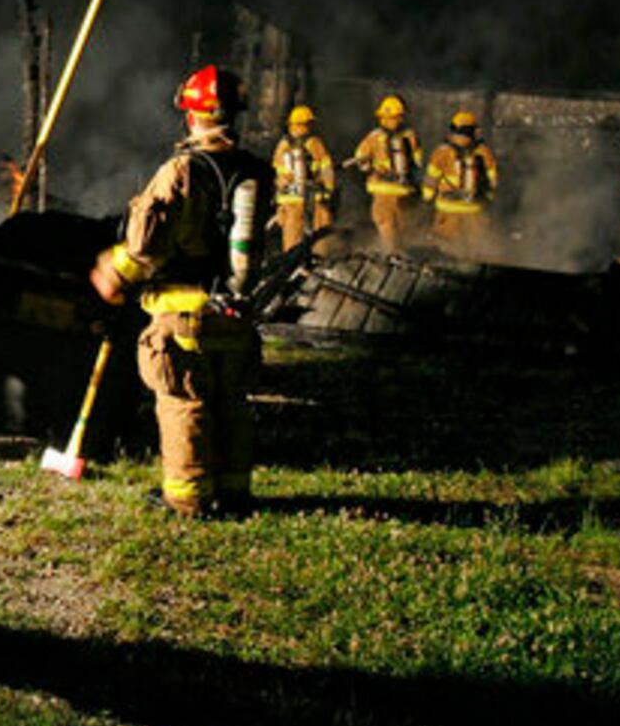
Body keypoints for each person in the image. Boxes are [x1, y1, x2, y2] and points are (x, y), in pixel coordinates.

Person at [89, 65, 270, 519]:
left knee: (184, 405)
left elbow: (146, 243)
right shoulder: (254, 172)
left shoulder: (182, 170)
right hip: (235, 312)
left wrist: (115, 271)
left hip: (182, 313)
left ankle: (186, 499)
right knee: (231, 405)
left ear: (191, 116)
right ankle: (234, 494)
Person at [351, 93, 424, 253]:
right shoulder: (410, 136)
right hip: (404, 189)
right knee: (404, 222)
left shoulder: (374, 137)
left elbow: (360, 160)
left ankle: (392, 252)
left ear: (382, 117)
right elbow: (418, 162)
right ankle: (405, 252)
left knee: (384, 221)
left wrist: (369, 166)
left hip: (382, 188)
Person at [423, 110, 499, 257]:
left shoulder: (441, 152)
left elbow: (431, 179)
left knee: (445, 248)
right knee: (478, 250)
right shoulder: (484, 152)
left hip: (447, 209)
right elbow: (493, 180)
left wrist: (428, 197)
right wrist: (489, 198)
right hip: (475, 210)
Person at [271, 105, 336, 253]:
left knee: (292, 236)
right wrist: (329, 190)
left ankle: (291, 264)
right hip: (313, 196)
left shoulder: (282, 145)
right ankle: (318, 263)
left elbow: (277, 172)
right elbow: (326, 168)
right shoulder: (315, 143)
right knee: (321, 230)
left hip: (289, 199)